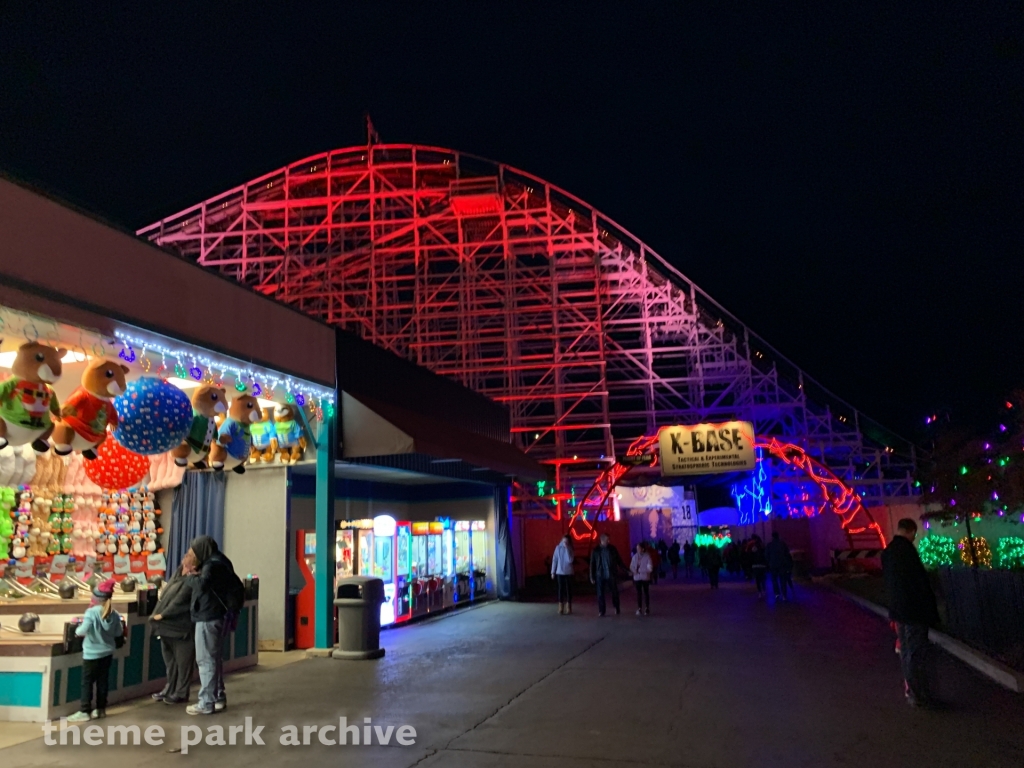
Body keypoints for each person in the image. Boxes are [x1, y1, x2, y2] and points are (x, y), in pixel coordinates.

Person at [882, 518, 940, 707]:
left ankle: (912, 692)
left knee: (907, 652)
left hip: (898, 611)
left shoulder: (888, 552)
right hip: (913, 612)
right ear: (910, 531)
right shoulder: (907, 552)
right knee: (916, 653)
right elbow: (918, 583)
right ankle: (920, 694)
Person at [185, 535, 240, 716]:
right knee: (214, 659)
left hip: (208, 617)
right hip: (220, 615)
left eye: (194, 550)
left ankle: (206, 701)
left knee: (206, 660)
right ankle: (218, 697)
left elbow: (202, 585)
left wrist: (189, 575)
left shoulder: (211, 565)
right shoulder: (222, 561)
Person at [67, 578, 122, 722]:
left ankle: (85, 711)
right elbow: (118, 633)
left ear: (97, 598)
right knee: (102, 681)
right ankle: (100, 709)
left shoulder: (91, 612)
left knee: (87, 682)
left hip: (91, 654)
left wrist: (76, 630)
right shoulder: (114, 614)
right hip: (107, 653)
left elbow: (83, 630)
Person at [150, 554, 198, 704]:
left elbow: (180, 601)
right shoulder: (177, 573)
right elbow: (166, 595)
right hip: (165, 628)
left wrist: (163, 614)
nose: (185, 556)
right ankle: (170, 688)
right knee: (171, 663)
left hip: (181, 628)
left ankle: (181, 693)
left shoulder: (193, 579)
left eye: (190, 555)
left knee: (183, 663)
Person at [589, 532, 624, 617]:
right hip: (600, 574)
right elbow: (592, 564)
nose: (609, 541)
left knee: (614, 592)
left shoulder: (612, 549)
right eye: (607, 540)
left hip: (611, 574)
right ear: (602, 540)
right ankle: (602, 610)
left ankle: (616, 607)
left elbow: (619, 560)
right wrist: (592, 576)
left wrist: (625, 570)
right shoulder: (596, 550)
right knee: (600, 593)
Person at [550, 534, 575, 615]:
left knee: (569, 590)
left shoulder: (571, 549)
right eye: (564, 541)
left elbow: (570, 560)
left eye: (567, 542)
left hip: (569, 573)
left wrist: (567, 548)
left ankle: (569, 607)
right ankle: (560, 607)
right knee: (561, 589)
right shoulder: (558, 548)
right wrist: (553, 572)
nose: (565, 543)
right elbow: (555, 559)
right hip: (560, 572)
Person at [765, 531, 792, 601]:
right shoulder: (783, 544)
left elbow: (766, 555)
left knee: (774, 580)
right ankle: (784, 595)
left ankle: (777, 594)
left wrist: (769, 563)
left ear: (772, 537)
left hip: (773, 565)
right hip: (782, 564)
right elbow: (787, 555)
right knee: (783, 580)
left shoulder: (769, 545)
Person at [630, 542, 654, 615]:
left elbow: (650, 568)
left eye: (639, 548)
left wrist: (641, 571)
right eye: (637, 548)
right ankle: (639, 608)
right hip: (637, 578)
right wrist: (634, 571)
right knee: (639, 593)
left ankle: (647, 608)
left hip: (645, 578)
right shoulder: (635, 557)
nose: (637, 549)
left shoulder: (647, 557)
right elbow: (631, 566)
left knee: (646, 593)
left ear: (643, 549)